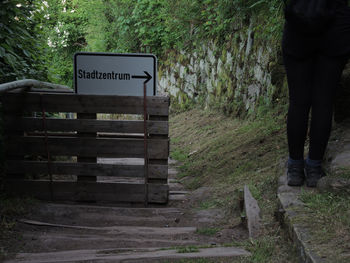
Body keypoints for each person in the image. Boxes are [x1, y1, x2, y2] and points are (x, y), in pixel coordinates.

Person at [282, 0, 350, 187]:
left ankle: (295, 168)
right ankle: (314, 168)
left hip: (299, 24)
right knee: (324, 101)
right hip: (336, 29)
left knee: (298, 101)